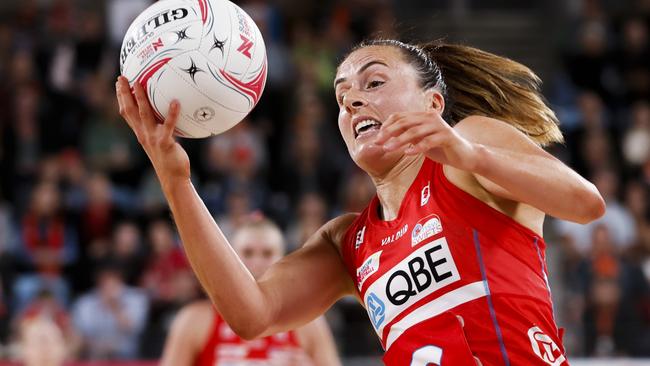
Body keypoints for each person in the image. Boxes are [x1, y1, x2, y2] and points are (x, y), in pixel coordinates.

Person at [115, 39, 606, 365]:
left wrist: (470, 153)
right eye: (342, 95)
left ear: (433, 104)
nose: (352, 102)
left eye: (374, 83)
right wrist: (176, 181)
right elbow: (252, 314)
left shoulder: (468, 153)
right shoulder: (348, 240)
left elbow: (584, 204)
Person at [160, 216, 341, 366]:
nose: (257, 263)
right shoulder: (195, 319)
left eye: (267, 253)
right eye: (248, 253)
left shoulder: (309, 321)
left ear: (283, 260)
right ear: (231, 258)